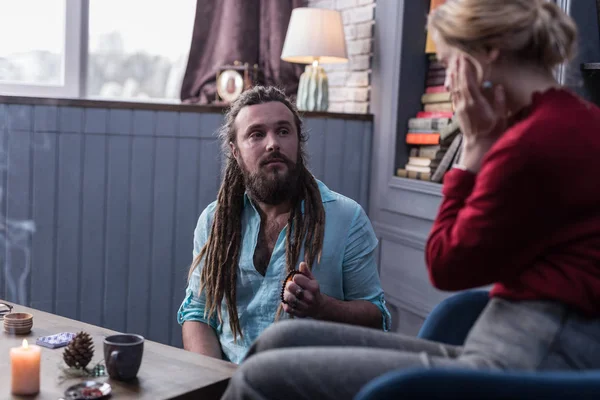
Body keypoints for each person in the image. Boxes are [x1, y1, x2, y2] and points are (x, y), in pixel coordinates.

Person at [221, 0, 600, 399]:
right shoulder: (579, 119)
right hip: (516, 335)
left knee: (255, 378)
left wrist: (472, 147)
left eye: (452, 61)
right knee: (279, 342)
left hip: (523, 358)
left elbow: (446, 265)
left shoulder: (528, 143)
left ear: (486, 57)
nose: (451, 80)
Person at [177, 85, 391, 364]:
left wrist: (322, 307)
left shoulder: (347, 218)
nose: (272, 143)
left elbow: (376, 318)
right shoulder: (214, 220)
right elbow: (198, 313)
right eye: (256, 134)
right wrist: (214, 383)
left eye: (283, 131)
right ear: (236, 151)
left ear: (298, 142)